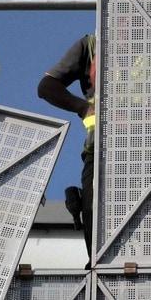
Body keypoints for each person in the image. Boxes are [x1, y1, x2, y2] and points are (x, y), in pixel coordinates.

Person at [37, 33, 96, 256]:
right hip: (98, 151)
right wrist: (83, 107)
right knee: (94, 226)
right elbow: (46, 87)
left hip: (148, 153)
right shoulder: (91, 45)